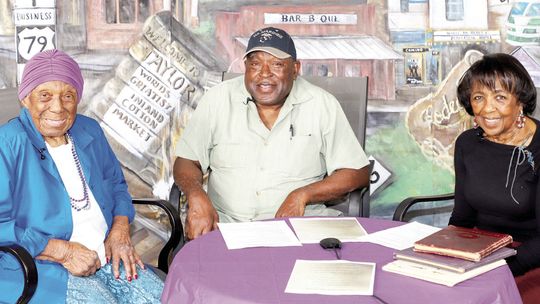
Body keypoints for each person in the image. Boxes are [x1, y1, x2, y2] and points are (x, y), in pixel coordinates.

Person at [173, 27, 370, 240]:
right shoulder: (217, 99)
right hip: (225, 225)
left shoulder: (322, 104)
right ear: (245, 67)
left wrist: (302, 195)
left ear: (295, 69)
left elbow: (357, 172)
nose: (264, 74)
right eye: (256, 64)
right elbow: (186, 161)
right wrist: (196, 195)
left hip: (299, 228)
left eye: (277, 64)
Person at [0, 50, 162, 303]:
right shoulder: (7, 144)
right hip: (38, 267)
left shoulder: (90, 130)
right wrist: (61, 251)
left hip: (107, 256)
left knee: (159, 297)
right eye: (45, 96)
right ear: (25, 98)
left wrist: (119, 230)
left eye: (68, 96)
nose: (57, 107)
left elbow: (117, 185)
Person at [450, 53, 540, 303]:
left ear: (520, 101)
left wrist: (498, 269)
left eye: (500, 97)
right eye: (479, 97)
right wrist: (446, 254)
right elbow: (462, 218)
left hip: (529, 258)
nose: (487, 108)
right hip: (482, 253)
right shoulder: (467, 144)